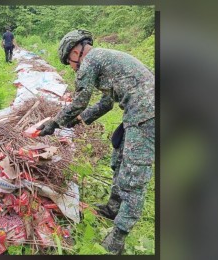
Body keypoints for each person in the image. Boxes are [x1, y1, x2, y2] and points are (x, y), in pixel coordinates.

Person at [37, 29, 155, 255]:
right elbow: (106, 103)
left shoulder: (90, 60)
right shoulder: (103, 58)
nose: (73, 68)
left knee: (134, 174)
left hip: (147, 115)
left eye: (69, 63)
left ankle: (118, 238)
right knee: (118, 157)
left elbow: (80, 100)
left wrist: (55, 123)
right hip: (139, 112)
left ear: (75, 52)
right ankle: (113, 207)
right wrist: (79, 120)